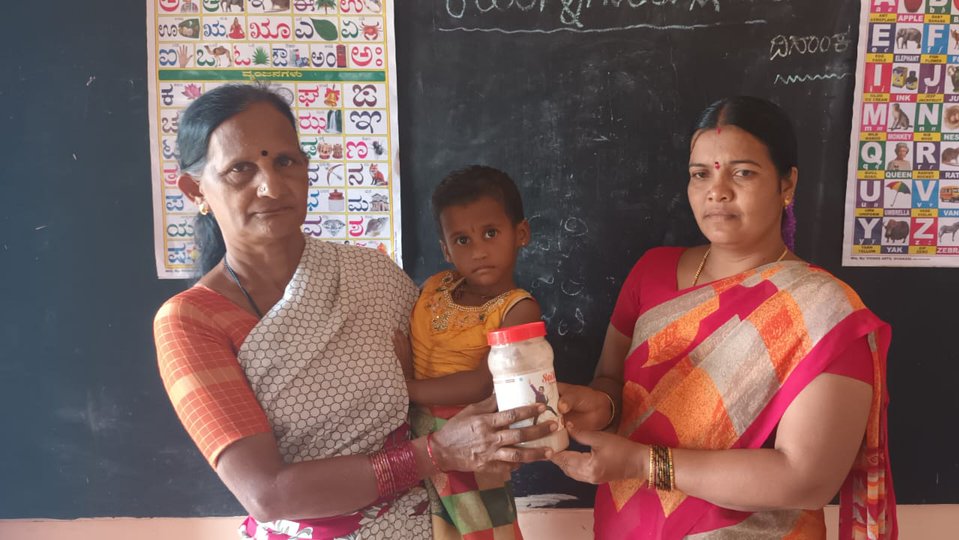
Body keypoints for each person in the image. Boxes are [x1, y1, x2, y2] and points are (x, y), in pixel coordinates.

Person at [153, 84, 555, 540]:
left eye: (285, 161)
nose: (271, 186)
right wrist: (436, 453)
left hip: (443, 523)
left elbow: (459, 368)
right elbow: (267, 494)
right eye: (240, 169)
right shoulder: (191, 322)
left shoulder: (371, 274)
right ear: (195, 190)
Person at [550, 96, 897, 539]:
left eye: (743, 172)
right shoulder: (651, 272)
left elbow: (807, 479)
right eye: (701, 174)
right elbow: (612, 383)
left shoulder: (824, 310)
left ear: (787, 183)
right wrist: (602, 406)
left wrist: (644, 463)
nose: (717, 191)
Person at [401, 166, 541, 539]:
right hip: (412, 435)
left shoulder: (517, 309)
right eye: (462, 240)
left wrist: (404, 389)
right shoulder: (435, 287)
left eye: (490, 233)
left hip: (472, 435)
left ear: (521, 234)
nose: (478, 251)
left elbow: (482, 383)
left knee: (483, 530)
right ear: (446, 249)